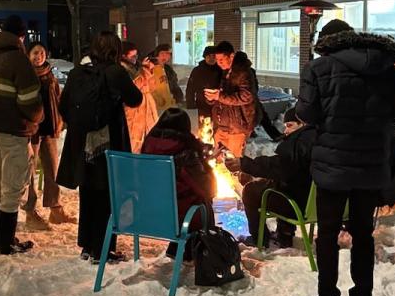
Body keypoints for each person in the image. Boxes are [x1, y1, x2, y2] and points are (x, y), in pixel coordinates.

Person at [293, 19, 395, 296]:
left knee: (328, 236)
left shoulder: (318, 69)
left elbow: (305, 113)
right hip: (370, 167)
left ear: (328, 42)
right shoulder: (384, 68)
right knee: (362, 236)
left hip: (333, 166)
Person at [57, 31, 143, 262]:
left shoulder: (77, 73)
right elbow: (136, 99)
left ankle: (87, 245)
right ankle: (102, 249)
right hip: (108, 144)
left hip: (83, 145)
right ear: (115, 50)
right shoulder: (115, 72)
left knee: (88, 193)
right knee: (106, 195)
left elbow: (63, 106)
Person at [0, 15, 43, 255]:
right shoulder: (20, 61)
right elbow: (30, 101)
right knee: (12, 187)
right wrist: (35, 120)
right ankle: (6, 241)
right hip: (13, 131)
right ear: (21, 36)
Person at [226, 107, 315, 249]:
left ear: (303, 124)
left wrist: (244, 164)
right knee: (279, 183)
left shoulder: (300, 143)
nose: (286, 131)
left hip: (299, 205)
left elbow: (278, 166)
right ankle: (284, 233)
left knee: (251, 191)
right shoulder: (322, 141)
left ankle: (259, 240)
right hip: (319, 203)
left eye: (290, 126)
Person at [141, 108, 215, 259]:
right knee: (204, 203)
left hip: (147, 214)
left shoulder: (147, 146)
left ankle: (176, 248)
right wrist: (204, 164)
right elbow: (208, 188)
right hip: (177, 217)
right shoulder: (185, 153)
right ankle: (201, 252)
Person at [23, 42, 74, 229]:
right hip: (32, 131)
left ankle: (55, 208)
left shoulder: (49, 74)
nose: (39, 56)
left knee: (53, 170)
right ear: (28, 55)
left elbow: (57, 98)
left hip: (50, 129)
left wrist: (61, 120)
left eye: (42, 53)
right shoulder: (25, 75)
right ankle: (30, 211)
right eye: (35, 52)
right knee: (29, 173)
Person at [207, 41, 257, 159]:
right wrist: (213, 98)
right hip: (222, 126)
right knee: (217, 163)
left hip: (237, 128)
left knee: (233, 163)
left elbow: (246, 96)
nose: (219, 63)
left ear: (232, 56)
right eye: (217, 60)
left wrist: (219, 96)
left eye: (222, 60)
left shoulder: (244, 73)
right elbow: (224, 95)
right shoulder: (225, 72)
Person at [119, 41, 158, 154]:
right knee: (134, 142)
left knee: (148, 140)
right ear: (123, 56)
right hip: (134, 112)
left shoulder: (137, 67)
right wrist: (142, 71)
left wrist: (149, 70)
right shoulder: (123, 70)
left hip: (147, 109)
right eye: (132, 56)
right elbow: (134, 88)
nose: (135, 59)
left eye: (136, 56)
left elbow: (152, 87)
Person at [184, 46, 222, 122]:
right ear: (205, 57)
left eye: (214, 56)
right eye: (209, 56)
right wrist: (191, 105)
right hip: (201, 106)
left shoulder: (221, 70)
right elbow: (190, 89)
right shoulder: (197, 71)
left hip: (218, 106)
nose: (211, 58)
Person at [148, 43, 183, 112]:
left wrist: (178, 98)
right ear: (157, 54)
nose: (165, 56)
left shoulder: (168, 70)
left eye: (168, 54)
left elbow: (174, 86)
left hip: (169, 106)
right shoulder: (149, 68)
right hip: (155, 107)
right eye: (162, 53)